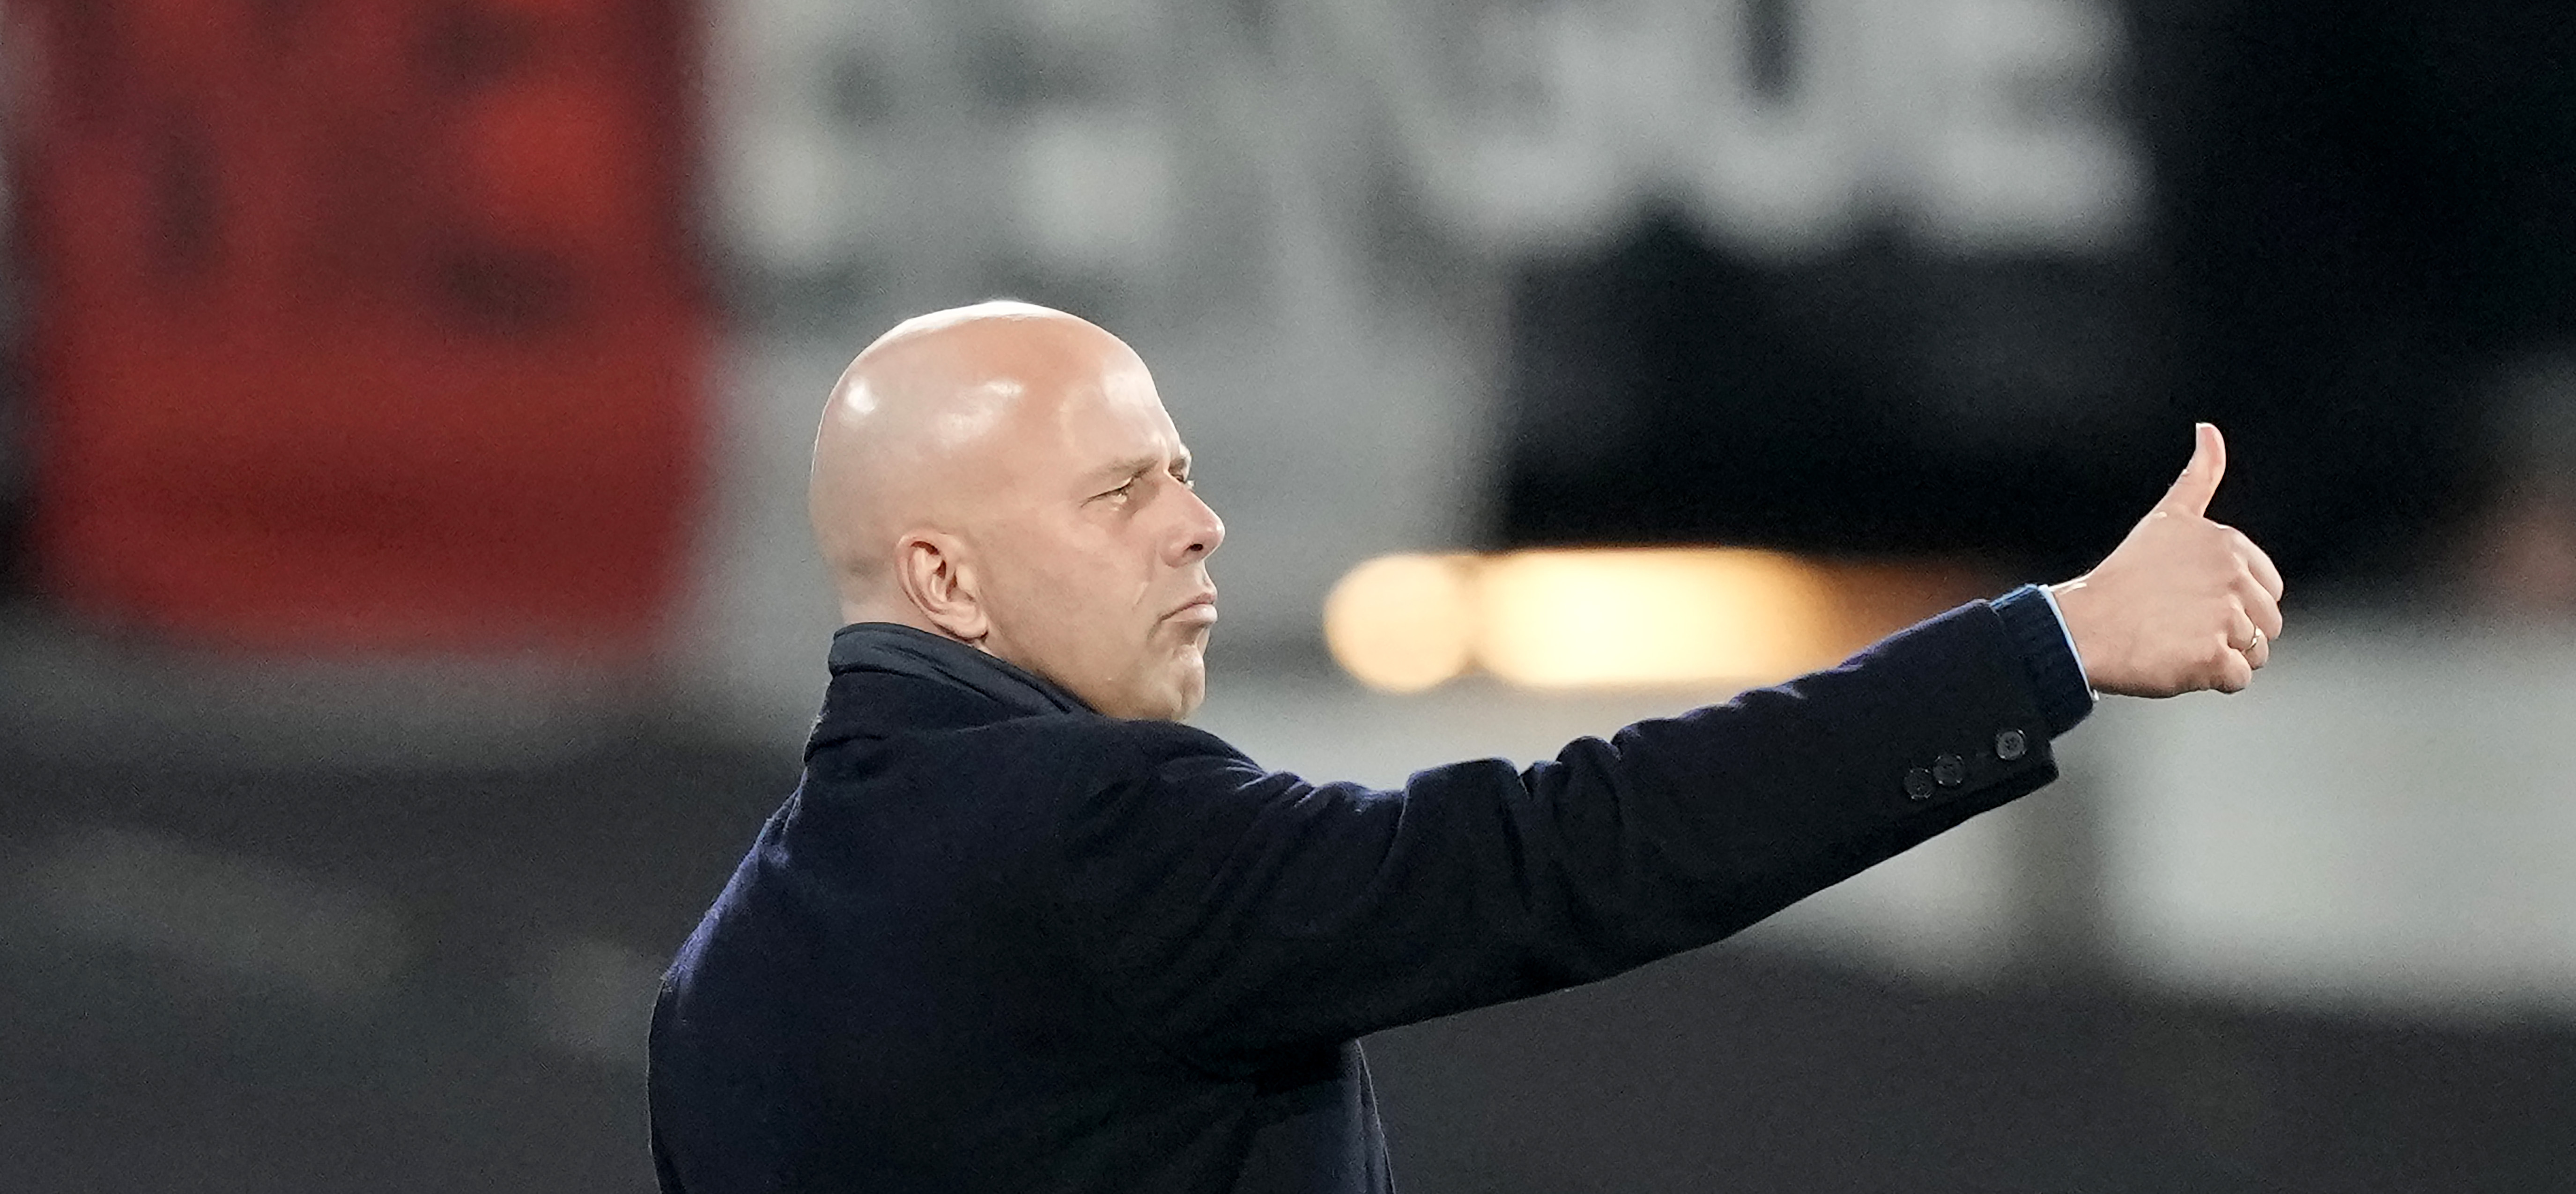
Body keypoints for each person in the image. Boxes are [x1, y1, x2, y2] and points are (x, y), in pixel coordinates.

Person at [649, 301, 2284, 1194]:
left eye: (1184, 472)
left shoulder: (720, 983)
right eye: (1121, 491)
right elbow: (1570, 847)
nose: (1200, 527)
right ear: (948, 578)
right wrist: (2049, 645)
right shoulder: (1088, 835)